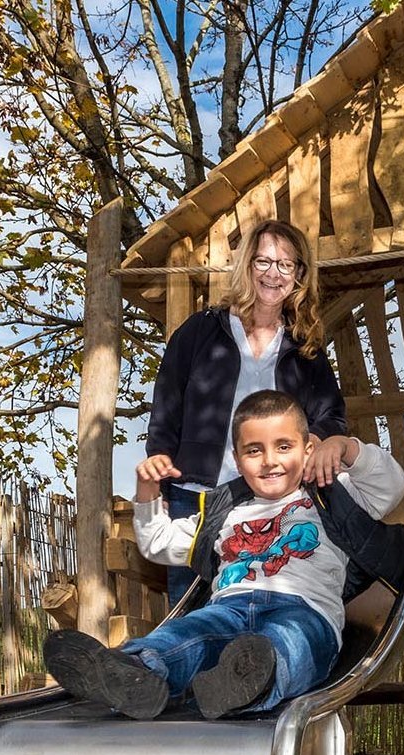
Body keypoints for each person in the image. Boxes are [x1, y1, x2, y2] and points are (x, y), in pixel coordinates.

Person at [44, 390, 404, 721]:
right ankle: (135, 673)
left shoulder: (335, 494)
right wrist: (148, 491)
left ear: (307, 450)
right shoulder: (224, 511)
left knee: (293, 644)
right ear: (237, 459)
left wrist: (345, 447)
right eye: (254, 451)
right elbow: (158, 543)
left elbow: (392, 487)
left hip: (304, 610)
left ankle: (250, 684)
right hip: (227, 610)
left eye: (284, 446)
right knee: (186, 635)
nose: (269, 461)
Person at [144, 219, 347, 605]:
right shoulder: (199, 332)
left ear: (299, 275)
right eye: (263, 262)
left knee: (253, 607)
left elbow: (332, 417)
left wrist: (315, 445)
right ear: (246, 266)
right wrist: (160, 484)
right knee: (187, 610)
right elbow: (166, 410)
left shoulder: (304, 350)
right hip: (196, 498)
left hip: (268, 503)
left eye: (286, 265)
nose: (274, 274)